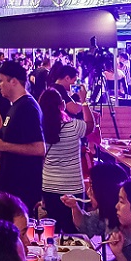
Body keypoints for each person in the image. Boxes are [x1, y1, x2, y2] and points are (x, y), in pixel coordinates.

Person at [0, 61, 45, 213]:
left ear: (14, 81)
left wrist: (2, 147)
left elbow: (39, 149)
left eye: (1, 81)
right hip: (10, 185)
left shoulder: (28, 107)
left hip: (23, 187)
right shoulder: (15, 106)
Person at [38, 89, 91, 232]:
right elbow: (90, 125)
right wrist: (84, 101)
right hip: (73, 187)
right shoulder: (74, 126)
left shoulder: (40, 130)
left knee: (52, 231)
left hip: (49, 186)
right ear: (62, 105)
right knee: (74, 230)